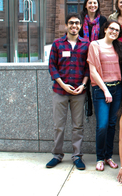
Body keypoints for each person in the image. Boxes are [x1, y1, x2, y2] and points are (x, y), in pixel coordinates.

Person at [46, 12, 89, 170]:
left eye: (77, 23)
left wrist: (83, 85)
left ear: (80, 25)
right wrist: (63, 85)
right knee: (59, 125)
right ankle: (57, 154)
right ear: (66, 25)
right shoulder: (57, 44)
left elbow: (88, 68)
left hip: (79, 91)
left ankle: (77, 156)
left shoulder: (86, 44)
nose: (74, 26)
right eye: (71, 23)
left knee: (78, 125)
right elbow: (52, 66)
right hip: (60, 90)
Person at [87, 20, 122, 171]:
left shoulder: (117, 46)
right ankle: (100, 157)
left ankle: (109, 156)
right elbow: (93, 71)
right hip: (101, 90)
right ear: (106, 29)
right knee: (102, 125)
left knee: (112, 125)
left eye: (117, 30)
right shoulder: (95, 45)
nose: (114, 32)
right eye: (112, 29)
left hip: (117, 88)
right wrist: (105, 90)